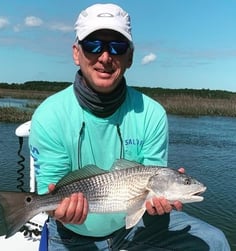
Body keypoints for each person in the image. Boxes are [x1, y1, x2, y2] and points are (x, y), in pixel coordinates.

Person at [29, 3, 230, 251]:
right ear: (76, 53)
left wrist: (158, 205)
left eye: (117, 46)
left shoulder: (152, 113)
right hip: (71, 234)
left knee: (214, 242)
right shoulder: (49, 115)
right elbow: (51, 190)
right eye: (93, 45)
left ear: (130, 56)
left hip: (136, 226)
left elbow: (150, 190)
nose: (105, 57)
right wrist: (60, 212)